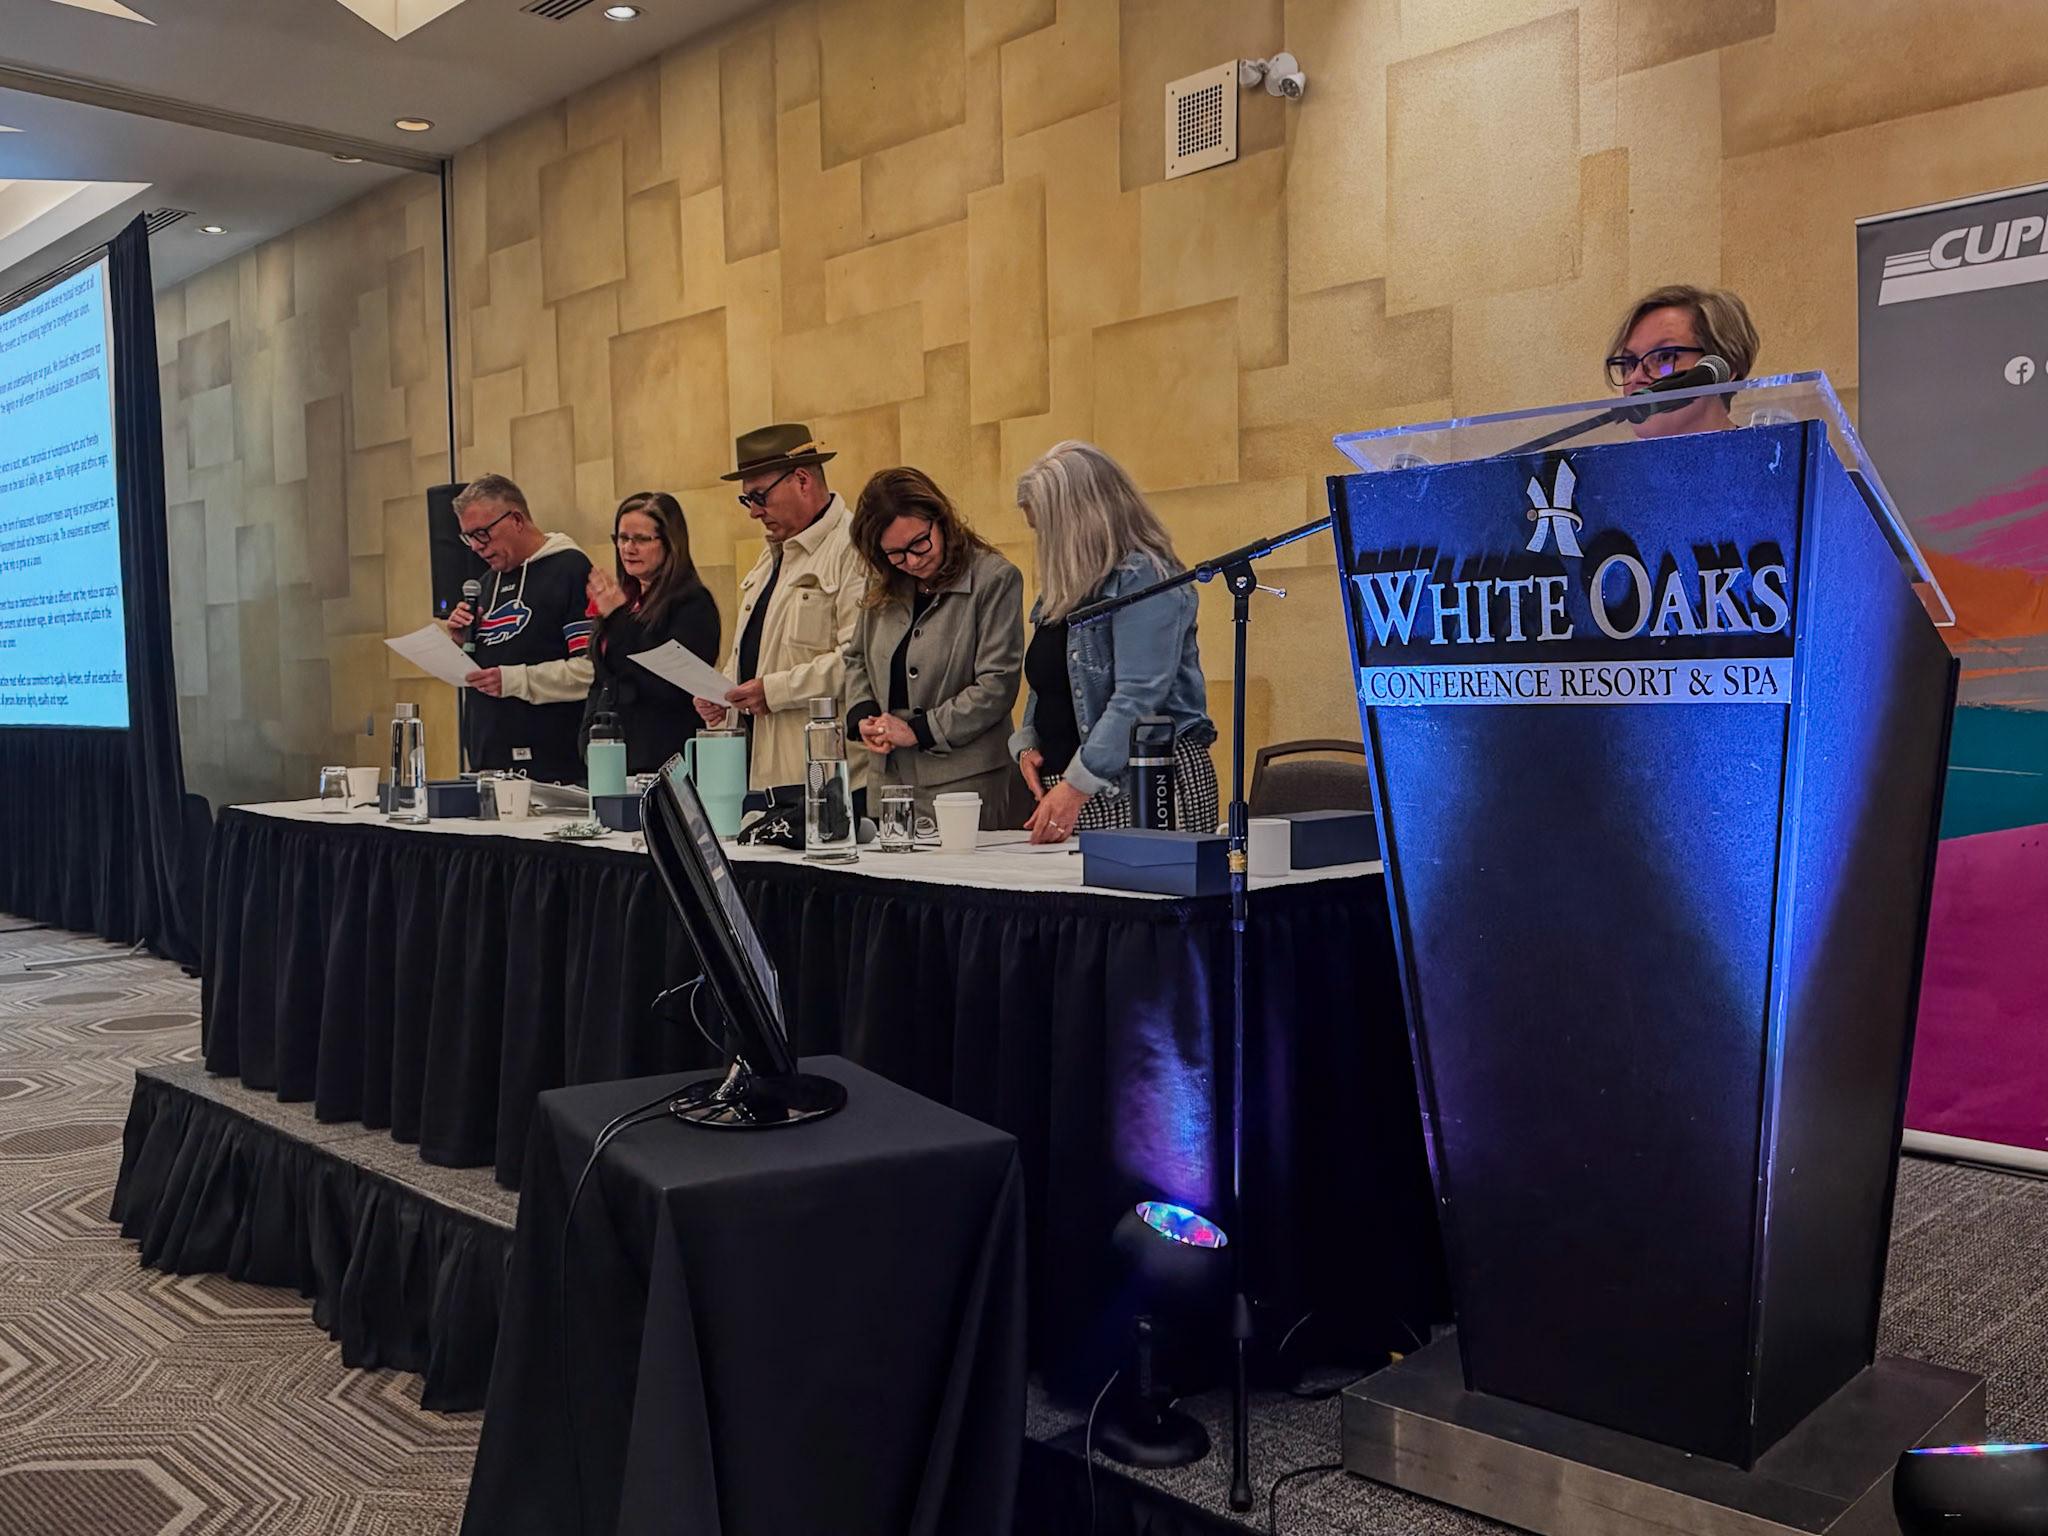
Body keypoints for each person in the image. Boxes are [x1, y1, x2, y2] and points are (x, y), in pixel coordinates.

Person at [1009, 441, 1217, 845]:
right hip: (1075, 787)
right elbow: (1047, 681)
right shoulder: (1064, 586)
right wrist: (1028, 744)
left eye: (1046, 531)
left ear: (1080, 520)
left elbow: (1138, 696)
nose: (1043, 545)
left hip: (1142, 783)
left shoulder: (1145, 578)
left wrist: (1075, 786)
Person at [693, 424, 866, 809]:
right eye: (746, 500)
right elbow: (757, 652)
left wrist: (772, 692)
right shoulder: (773, 553)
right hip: (765, 774)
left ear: (802, 480)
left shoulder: (853, 548)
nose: (754, 512)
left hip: (828, 781)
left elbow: (859, 662)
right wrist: (723, 693)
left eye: (760, 496)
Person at [842, 467, 1025, 830]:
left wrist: (921, 730)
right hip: (888, 781)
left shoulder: (994, 578)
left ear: (941, 520)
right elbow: (856, 658)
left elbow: (997, 686)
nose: (912, 561)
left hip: (965, 785)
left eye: (919, 543)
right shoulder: (882, 580)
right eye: (895, 554)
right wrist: (864, 716)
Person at [444, 473, 593, 784]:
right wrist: (461, 643)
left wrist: (514, 680)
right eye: (468, 537)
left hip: (553, 767)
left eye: (482, 533)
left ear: (516, 520)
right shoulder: (486, 583)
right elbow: (486, 672)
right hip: (488, 762)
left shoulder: (570, 570)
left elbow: (589, 673)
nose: (475, 547)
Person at [583, 491, 721, 775]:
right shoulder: (625, 599)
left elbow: (666, 680)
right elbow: (604, 678)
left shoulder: (691, 602)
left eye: (641, 539)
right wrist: (588, 735)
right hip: (610, 754)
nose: (628, 548)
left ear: (670, 542)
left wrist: (618, 617)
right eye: (622, 538)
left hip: (662, 756)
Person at [1604, 284, 1760, 438]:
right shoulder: (1609, 455)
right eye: (1629, 363)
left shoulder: (1769, 452)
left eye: (1664, 357)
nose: (1635, 377)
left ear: (1724, 367)